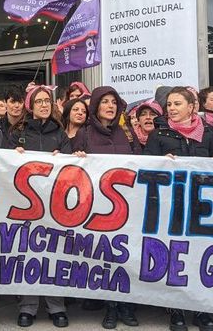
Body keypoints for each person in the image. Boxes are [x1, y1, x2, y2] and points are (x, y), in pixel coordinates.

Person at [143, 87, 213, 331]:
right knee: (175, 257)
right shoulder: (158, 135)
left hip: (201, 206)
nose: (172, 109)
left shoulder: (208, 133)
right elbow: (146, 169)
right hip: (171, 206)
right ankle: (176, 310)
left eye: (177, 104)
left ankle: (201, 310)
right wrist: (159, 163)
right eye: (169, 105)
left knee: (199, 256)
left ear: (191, 107)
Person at [68, 86, 138, 328]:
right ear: (96, 106)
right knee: (106, 257)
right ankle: (110, 306)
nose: (110, 106)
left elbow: (143, 162)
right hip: (97, 207)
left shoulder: (127, 133)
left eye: (114, 102)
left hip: (127, 206)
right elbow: (72, 169)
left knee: (126, 256)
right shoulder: (84, 134)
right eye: (105, 102)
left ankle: (126, 306)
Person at [7, 84, 71, 328]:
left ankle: (57, 306)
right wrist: (14, 155)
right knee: (28, 254)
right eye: (39, 101)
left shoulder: (59, 132)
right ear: (30, 106)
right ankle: (28, 306)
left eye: (47, 101)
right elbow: (5, 164)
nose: (44, 105)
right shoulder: (17, 132)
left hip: (54, 203)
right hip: (27, 205)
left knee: (54, 253)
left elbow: (71, 165)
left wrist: (66, 159)